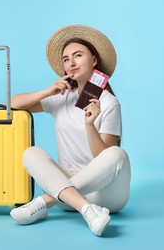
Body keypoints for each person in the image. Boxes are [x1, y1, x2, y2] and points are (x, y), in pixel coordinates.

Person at [9, 24, 131, 237]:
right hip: (66, 198)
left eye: (78, 55)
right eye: (66, 59)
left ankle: (43, 202)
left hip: (105, 195)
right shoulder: (61, 98)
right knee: (30, 153)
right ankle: (87, 210)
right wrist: (49, 90)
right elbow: (11, 104)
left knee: (118, 154)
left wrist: (89, 125)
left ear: (94, 60)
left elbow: (105, 159)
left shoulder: (109, 103)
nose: (71, 63)